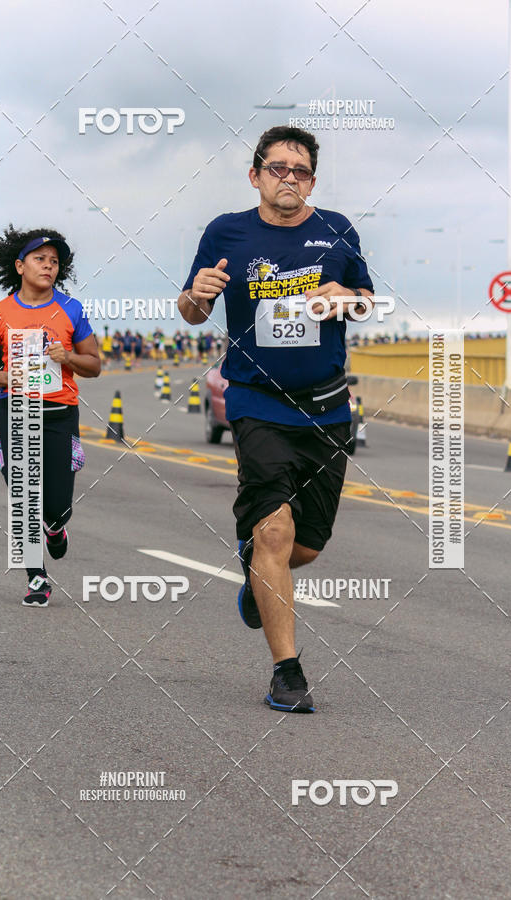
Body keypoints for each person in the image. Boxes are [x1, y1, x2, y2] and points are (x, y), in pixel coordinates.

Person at [178, 126, 375, 713]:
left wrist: (346, 296)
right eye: (278, 168)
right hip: (257, 402)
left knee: (306, 547)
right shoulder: (226, 231)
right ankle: (287, 673)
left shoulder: (337, 229)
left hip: (327, 406)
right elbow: (190, 310)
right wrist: (198, 293)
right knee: (273, 532)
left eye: (301, 171)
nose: (289, 178)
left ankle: (259, 580)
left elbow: (368, 300)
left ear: (312, 179)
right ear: (256, 174)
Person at [0, 226, 101, 606]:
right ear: (19, 265)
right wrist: (9, 376)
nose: (48, 266)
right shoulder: (0, 313)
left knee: (57, 505)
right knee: (23, 495)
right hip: (16, 410)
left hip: (60, 413)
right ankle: (36, 578)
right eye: (40, 259)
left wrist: (68, 358)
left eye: (54, 261)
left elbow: (93, 365)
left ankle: (57, 528)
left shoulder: (71, 309)